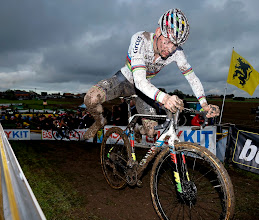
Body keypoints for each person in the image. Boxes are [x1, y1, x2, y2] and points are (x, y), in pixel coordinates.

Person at [83, 8, 220, 140]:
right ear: (158, 32)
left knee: (151, 132)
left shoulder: (177, 53)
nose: (170, 49)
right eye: (167, 41)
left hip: (144, 90)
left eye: (175, 45)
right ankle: (100, 121)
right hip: (125, 80)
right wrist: (165, 99)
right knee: (91, 99)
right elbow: (139, 81)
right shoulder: (140, 39)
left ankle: (137, 128)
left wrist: (204, 104)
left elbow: (191, 77)